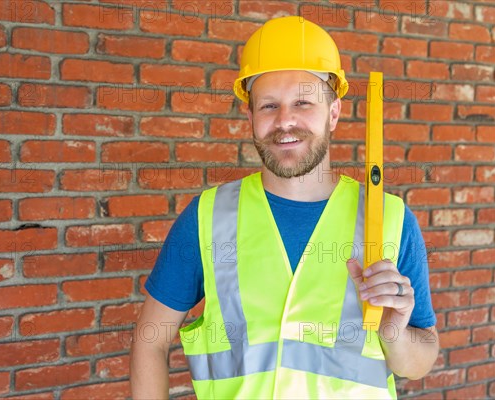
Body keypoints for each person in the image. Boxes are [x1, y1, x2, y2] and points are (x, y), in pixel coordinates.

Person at [131, 16, 439, 399]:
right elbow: (150, 340)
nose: (285, 121)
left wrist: (394, 333)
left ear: (334, 112)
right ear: (250, 116)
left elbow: (418, 363)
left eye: (303, 102)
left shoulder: (391, 221)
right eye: (269, 106)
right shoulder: (207, 218)